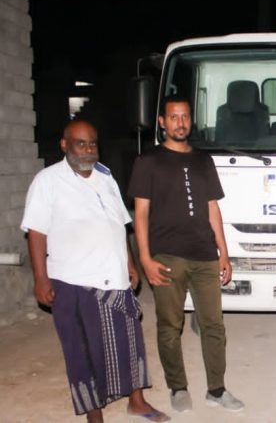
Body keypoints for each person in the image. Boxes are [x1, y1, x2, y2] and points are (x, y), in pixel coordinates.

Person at [21, 120, 169, 423]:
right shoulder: (47, 181)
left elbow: (118, 223)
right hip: (74, 281)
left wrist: (129, 263)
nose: (88, 150)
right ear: (65, 145)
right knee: (83, 352)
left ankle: (137, 401)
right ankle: (94, 414)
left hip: (115, 276)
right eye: (80, 143)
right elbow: (36, 232)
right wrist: (40, 279)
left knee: (129, 343)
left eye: (92, 144)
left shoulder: (105, 176)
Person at [127, 96, 244, 412]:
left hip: (204, 254)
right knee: (170, 326)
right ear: (162, 122)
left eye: (185, 117)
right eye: (174, 117)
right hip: (167, 256)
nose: (180, 123)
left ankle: (217, 390)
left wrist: (223, 252)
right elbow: (140, 214)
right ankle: (177, 387)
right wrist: (145, 258)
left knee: (213, 325)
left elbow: (212, 207)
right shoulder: (148, 161)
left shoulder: (204, 160)